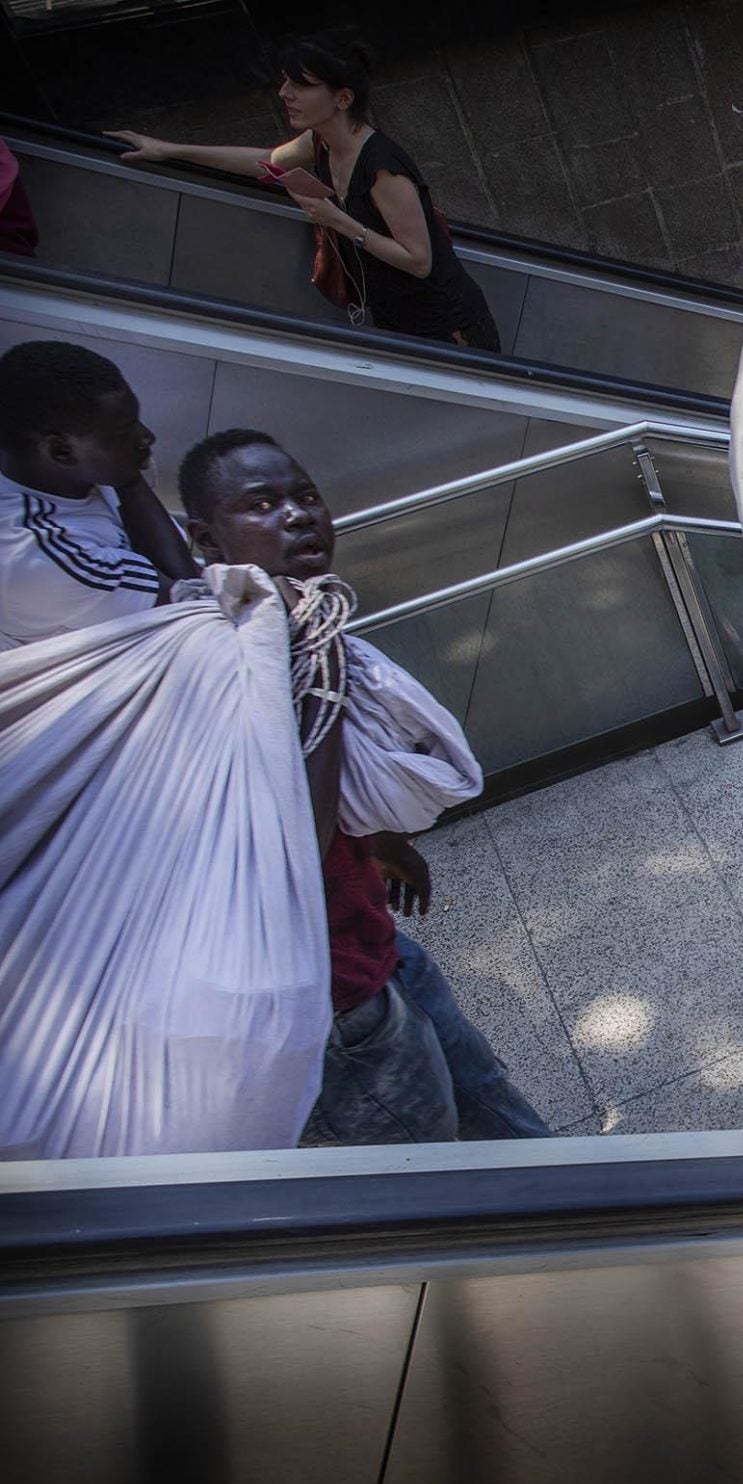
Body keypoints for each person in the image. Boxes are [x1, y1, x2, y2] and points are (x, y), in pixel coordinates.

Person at [178, 427, 550, 1144]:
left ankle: (600, 1212)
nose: (297, 515)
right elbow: (290, 839)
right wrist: (322, 676)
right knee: (427, 1163)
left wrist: (380, 837)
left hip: (374, 945)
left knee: (487, 1096)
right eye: (262, 504)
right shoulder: (226, 660)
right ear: (206, 537)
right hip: (333, 1002)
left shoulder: (294, 626)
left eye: (306, 495)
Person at [109, 34, 502, 351]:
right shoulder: (320, 142)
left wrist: (338, 220)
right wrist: (169, 150)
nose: (284, 93)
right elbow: (266, 160)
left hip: (450, 330)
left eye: (299, 85)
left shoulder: (384, 169)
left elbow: (419, 261)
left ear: (343, 98)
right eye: (285, 81)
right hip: (396, 317)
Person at [0, 341, 190, 648]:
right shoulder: (37, 558)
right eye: (124, 431)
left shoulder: (81, 472)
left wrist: (125, 468)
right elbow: (190, 601)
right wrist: (128, 476)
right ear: (60, 451)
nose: (147, 437)